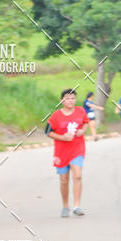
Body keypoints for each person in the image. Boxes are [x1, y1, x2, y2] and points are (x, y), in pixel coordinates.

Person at [47, 88, 89, 218]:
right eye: (67, 98)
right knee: (64, 180)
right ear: (62, 100)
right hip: (61, 151)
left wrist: (82, 130)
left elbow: (86, 123)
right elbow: (48, 132)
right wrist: (63, 138)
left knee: (77, 175)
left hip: (77, 149)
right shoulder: (56, 116)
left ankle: (77, 206)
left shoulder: (80, 111)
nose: (70, 101)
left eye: (73, 98)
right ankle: (65, 206)